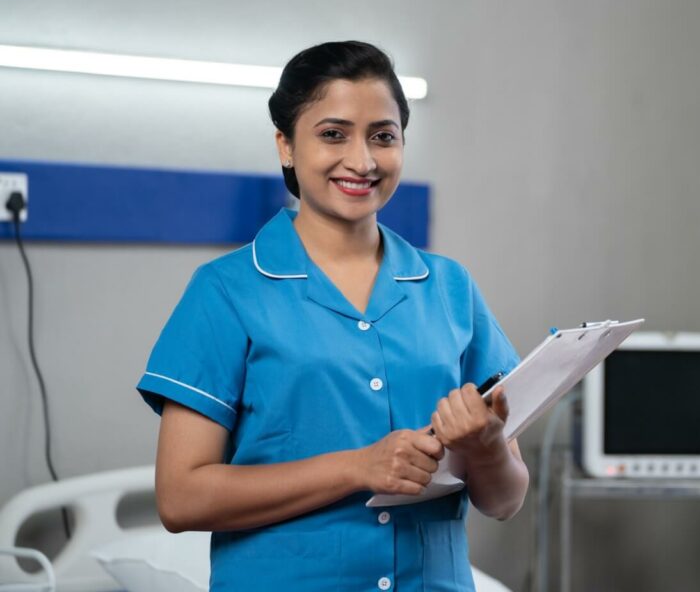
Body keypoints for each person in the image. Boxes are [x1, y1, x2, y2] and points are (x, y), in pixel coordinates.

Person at [136, 41, 529, 591]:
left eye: (383, 137)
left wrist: (487, 448)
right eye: (333, 134)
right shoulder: (226, 291)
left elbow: (506, 501)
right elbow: (180, 498)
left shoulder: (449, 288)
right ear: (286, 147)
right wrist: (357, 467)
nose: (363, 161)